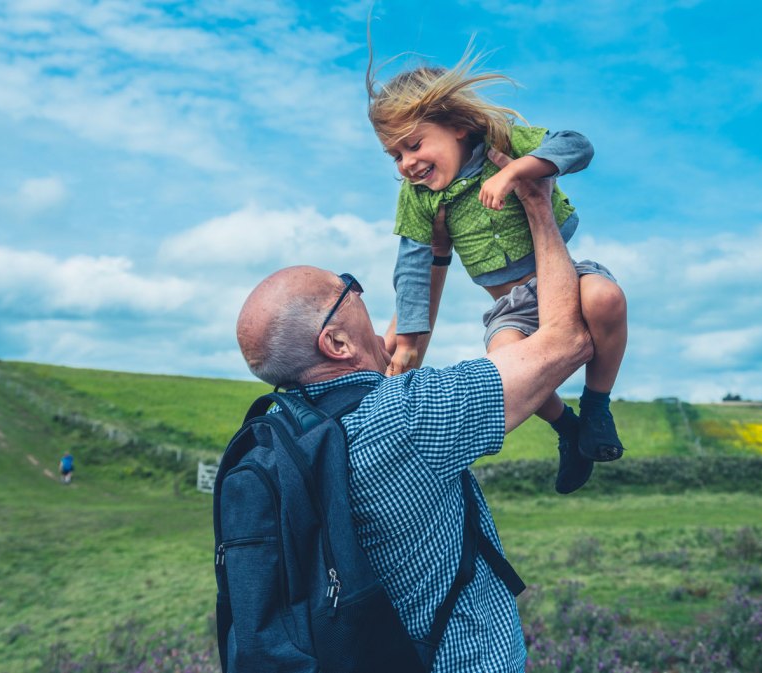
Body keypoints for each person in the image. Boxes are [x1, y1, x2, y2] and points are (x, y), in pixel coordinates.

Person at [235, 157, 590, 672]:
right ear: (335, 341)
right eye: (347, 289)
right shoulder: (408, 417)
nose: (360, 293)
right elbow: (566, 341)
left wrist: (437, 252)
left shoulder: (295, 432)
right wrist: (538, 205)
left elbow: (403, 349)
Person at [367, 49, 629, 495]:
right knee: (504, 368)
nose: (406, 163)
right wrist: (408, 344)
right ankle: (570, 430)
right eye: (395, 155)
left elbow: (576, 144)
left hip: (565, 276)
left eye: (413, 145)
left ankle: (597, 407)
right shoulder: (420, 198)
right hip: (510, 307)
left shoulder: (503, 146)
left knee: (606, 297)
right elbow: (412, 268)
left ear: (458, 126)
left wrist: (518, 173)